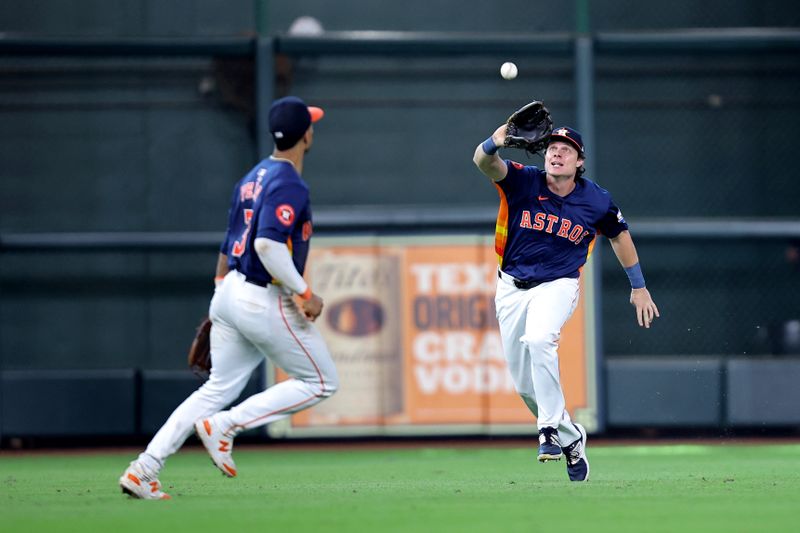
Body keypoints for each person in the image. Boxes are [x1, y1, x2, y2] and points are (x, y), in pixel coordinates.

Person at [120, 96, 339, 499]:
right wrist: (305, 293)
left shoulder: (253, 175)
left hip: (231, 290)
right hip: (260, 294)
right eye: (311, 124)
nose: (313, 129)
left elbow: (229, 240)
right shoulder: (289, 182)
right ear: (305, 135)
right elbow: (268, 247)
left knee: (214, 389)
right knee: (322, 381)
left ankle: (143, 469)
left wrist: (222, 287)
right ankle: (228, 425)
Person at [473, 121, 659, 482]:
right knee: (527, 387)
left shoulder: (596, 200)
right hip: (511, 287)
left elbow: (619, 237)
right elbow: (483, 162)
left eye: (566, 149)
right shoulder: (523, 180)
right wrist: (494, 141)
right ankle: (572, 437)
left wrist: (638, 286)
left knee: (540, 339)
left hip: (558, 284)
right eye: (552, 148)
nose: (557, 153)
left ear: (579, 162)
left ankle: (547, 432)